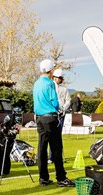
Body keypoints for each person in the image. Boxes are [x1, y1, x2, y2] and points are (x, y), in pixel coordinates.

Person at [33, 59, 74, 188]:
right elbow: (55, 103)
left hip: (39, 118)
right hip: (50, 118)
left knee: (42, 149)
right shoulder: (50, 84)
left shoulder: (36, 84)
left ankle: (43, 178)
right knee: (56, 148)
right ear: (50, 71)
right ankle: (61, 178)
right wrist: (59, 108)